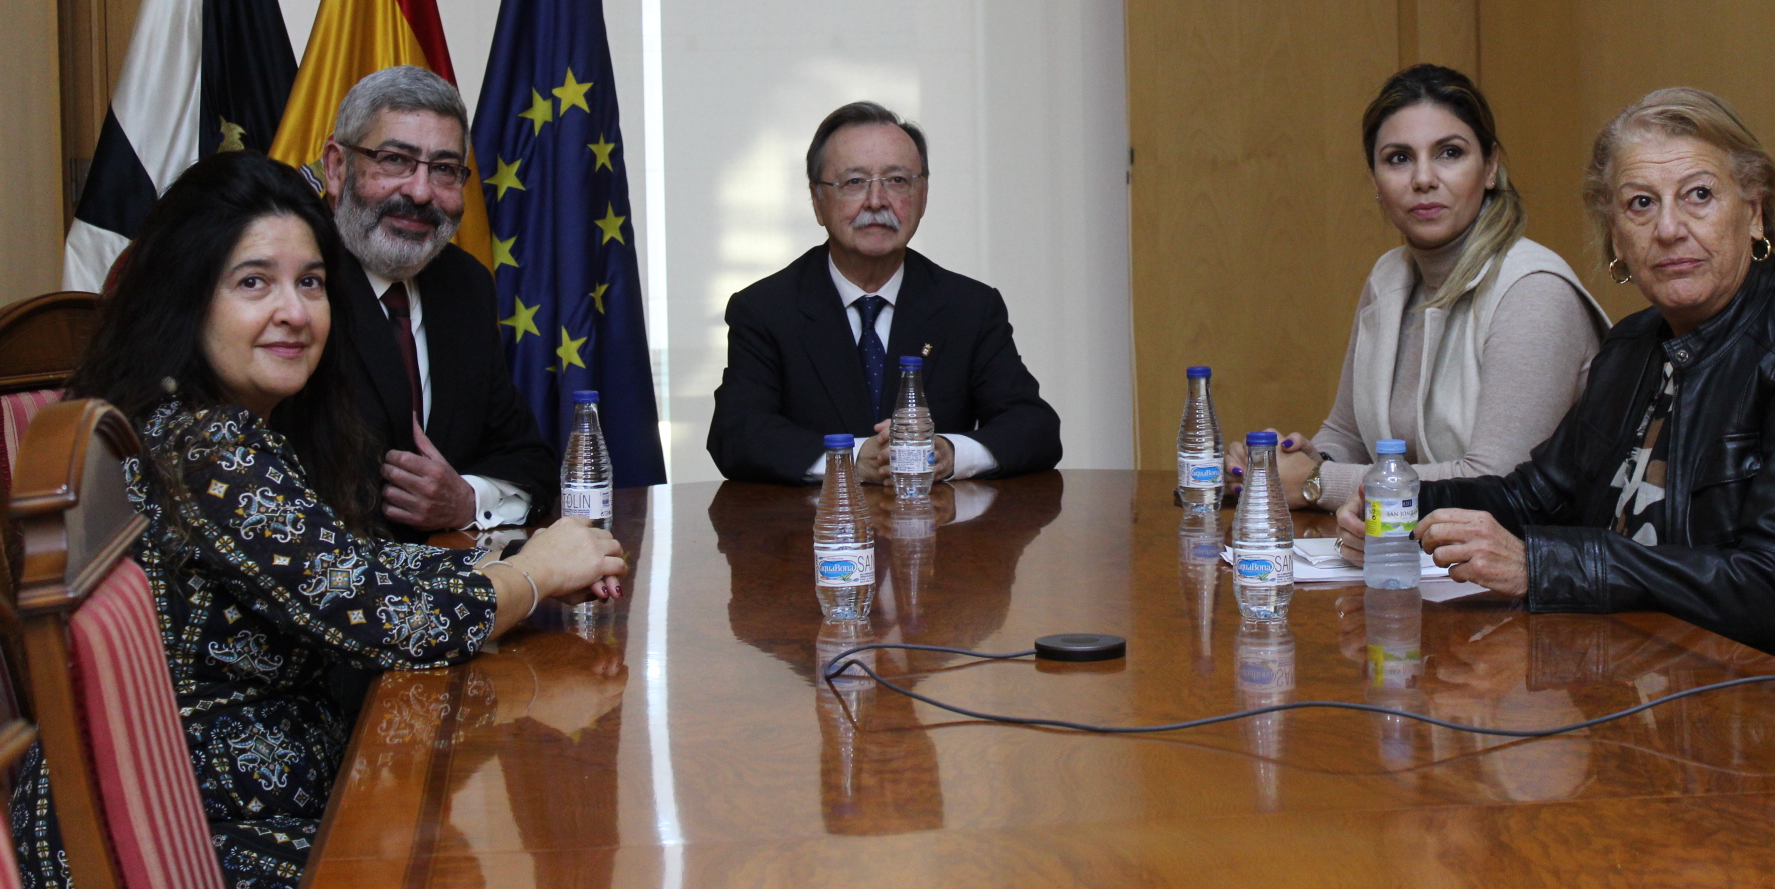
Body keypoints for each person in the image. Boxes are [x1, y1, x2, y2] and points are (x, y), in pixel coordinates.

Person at [10, 151, 624, 888]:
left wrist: (503, 569)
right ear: (186, 298)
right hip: (186, 835)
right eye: (252, 282)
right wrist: (532, 574)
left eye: (311, 282)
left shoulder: (221, 426)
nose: (294, 312)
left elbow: (348, 566)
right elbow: (379, 614)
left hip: (234, 804)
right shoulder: (207, 447)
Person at [1338, 88, 1775, 695]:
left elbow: (1770, 584)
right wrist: (1404, 503)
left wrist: (1539, 566)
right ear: (1615, 235)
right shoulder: (1636, 345)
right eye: (1641, 204)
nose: (1669, 229)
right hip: (1658, 680)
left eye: (1699, 195)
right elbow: (1539, 495)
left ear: (1754, 212)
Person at [1231, 65, 1609, 509]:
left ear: (1490, 168)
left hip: (1524, 561)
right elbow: (1348, 433)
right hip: (1418, 552)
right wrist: (1288, 463)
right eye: (1398, 158)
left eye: (1449, 153)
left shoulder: (1534, 292)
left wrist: (1317, 482)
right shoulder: (1389, 277)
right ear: (1374, 181)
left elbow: (1495, 481)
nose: (1424, 178)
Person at [709, 101, 1062, 485]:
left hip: (940, 536)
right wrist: (851, 459)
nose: (876, 202)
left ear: (923, 194)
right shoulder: (765, 309)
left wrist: (949, 453)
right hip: (810, 536)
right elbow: (737, 433)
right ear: (817, 200)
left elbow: (1035, 427)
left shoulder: (969, 307)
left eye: (897, 181)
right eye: (854, 182)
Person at [320, 66, 555, 534]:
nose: (421, 192)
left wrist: (467, 499)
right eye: (394, 160)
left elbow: (529, 460)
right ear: (336, 166)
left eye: (445, 170)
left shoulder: (464, 286)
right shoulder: (297, 284)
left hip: (454, 582)